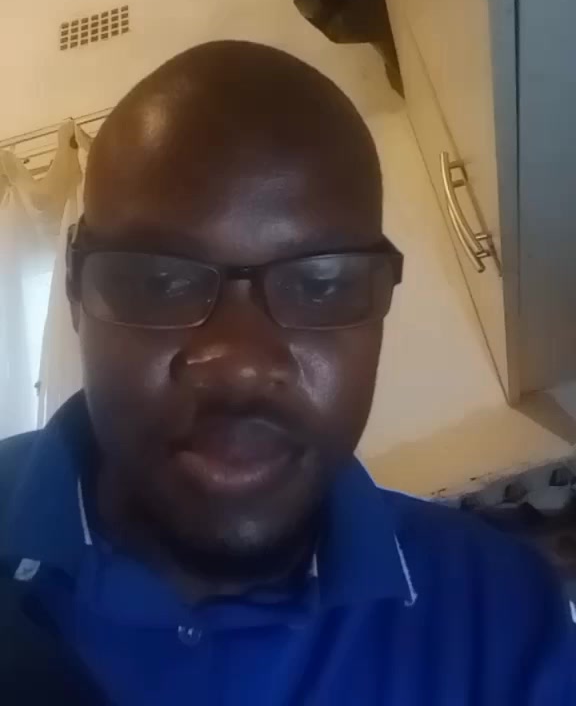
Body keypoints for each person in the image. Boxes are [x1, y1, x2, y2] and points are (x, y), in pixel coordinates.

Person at [0, 41, 573, 706]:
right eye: (159, 281)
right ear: (75, 291)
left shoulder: (502, 621)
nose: (242, 363)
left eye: (322, 284)